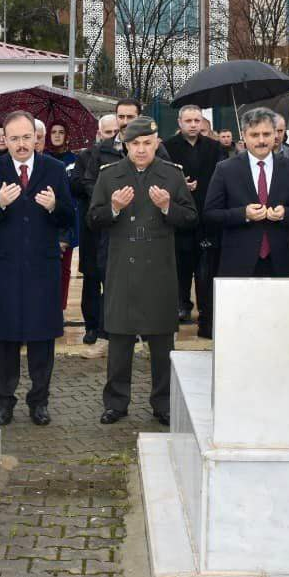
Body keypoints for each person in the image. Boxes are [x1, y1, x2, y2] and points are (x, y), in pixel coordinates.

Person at [88, 117, 196, 426]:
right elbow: (93, 219)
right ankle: (116, 403)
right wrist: (113, 208)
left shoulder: (172, 176)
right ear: (125, 145)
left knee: (162, 343)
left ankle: (163, 403)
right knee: (120, 341)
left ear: (157, 143)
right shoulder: (110, 176)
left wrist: (166, 207)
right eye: (135, 144)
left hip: (159, 270)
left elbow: (190, 218)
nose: (141, 149)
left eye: (147, 143)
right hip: (122, 268)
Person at [0, 111, 73, 426]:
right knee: (5, 341)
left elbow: (70, 217)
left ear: (35, 137)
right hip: (5, 269)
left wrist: (55, 206)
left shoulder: (54, 170)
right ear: (4, 139)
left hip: (42, 268)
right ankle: (4, 403)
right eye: (13, 138)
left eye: (25, 137)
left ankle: (39, 403)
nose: (20, 144)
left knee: (42, 340)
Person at [204, 107, 289, 278]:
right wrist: (243, 214)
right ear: (244, 136)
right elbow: (210, 214)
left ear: (276, 135)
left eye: (267, 134)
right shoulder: (225, 169)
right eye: (255, 135)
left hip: (281, 263)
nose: (261, 140)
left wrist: (285, 214)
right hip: (238, 263)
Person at [164, 104, 227, 333]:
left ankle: (206, 316)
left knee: (206, 271)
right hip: (179, 217)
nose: (192, 125)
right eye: (188, 121)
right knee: (180, 267)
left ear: (202, 123)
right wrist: (180, 186)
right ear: (179, 123)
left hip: (207, 217)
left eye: (196, 120)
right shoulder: (167, 147)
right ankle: (181, 306)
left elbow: (223, 177)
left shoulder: (215, 147)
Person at [73, 113, 121, 343]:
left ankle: (109, 325)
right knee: (91, 279)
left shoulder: (124, 153)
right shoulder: (86, 156)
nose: (112, 136)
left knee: (113, 280)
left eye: (115, 132)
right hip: (92, 227)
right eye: (108, 132)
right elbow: (78, 184)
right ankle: (91, 326)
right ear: (98, 133)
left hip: (116, 227)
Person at [46, 121, 81, 310]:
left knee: (65, 268)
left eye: (61, 132)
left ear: (67, 136)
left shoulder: (75, 159)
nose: (57, 135)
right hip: (47, 217)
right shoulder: (43, 158)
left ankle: (60, 306)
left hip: (68, 216)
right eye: (53, 132)